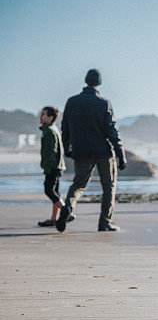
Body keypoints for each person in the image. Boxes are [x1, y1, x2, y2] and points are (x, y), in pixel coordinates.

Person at [56, 69, 126, 233]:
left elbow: (65, 128)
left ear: (85, 81)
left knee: (78, 185)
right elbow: (111, 130)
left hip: (82, 151)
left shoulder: (72, 102)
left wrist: (67, 149)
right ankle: (104, 222)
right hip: (103, 152)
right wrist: (120, 153)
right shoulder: (103, 103)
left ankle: (69, 207)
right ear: (99, 83)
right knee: (108, 186)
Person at [37, 106, 67, 227]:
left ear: (50, 117)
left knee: (49, 190)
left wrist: (47, 166)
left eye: (43, 114)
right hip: (56, 165)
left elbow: (52, 151)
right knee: (55, 192)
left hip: (53, 166)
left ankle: (66, 212)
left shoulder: (49, 130)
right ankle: (54, 219)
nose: (40, 116)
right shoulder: (50, 129)